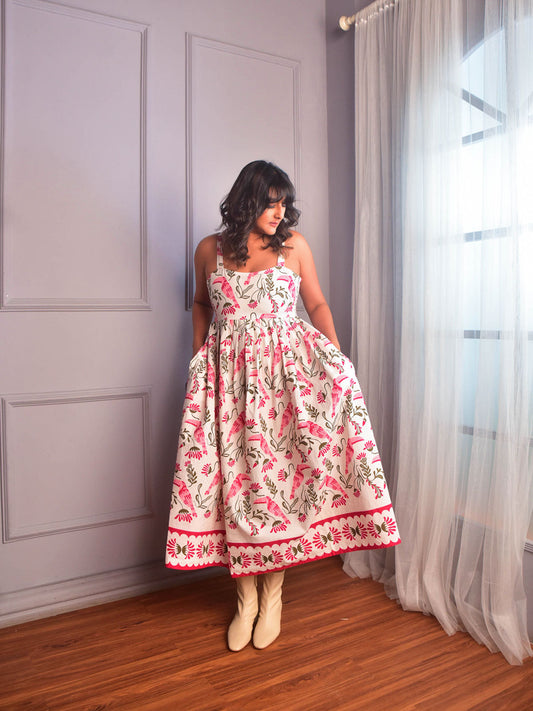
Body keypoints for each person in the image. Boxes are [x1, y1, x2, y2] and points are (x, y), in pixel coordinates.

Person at [166, 160, 400, 651]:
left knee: (278, 485)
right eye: (271, 203)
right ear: (246, 201)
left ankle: (272, 597)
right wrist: (198, 353)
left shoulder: (294, 247)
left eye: (284, 203)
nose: (280, 212)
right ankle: (245, 599)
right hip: (226, 382)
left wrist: (336, 356)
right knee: (234, 484)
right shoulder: (209, 250)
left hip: (283, 384)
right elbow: (201, 303)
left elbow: (316, 305)